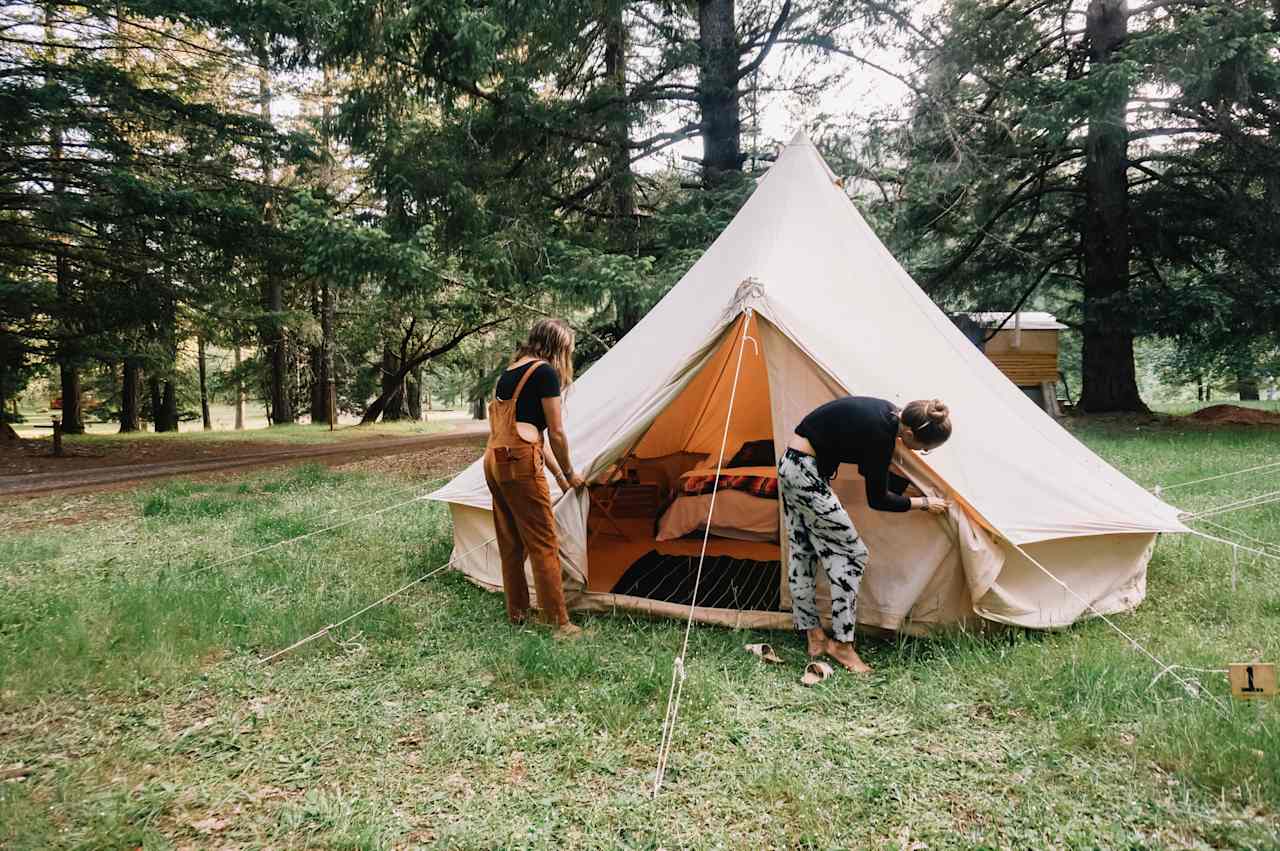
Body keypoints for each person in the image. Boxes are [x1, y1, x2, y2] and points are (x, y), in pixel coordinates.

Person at [777, 397, 953, 673]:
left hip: (792, 466)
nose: (921, 452)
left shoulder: (885, 413)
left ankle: (814, 635)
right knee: (853, 554)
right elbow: (878, 499)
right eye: (924, 448)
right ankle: (842, 645)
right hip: (804, 474)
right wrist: (924, 503)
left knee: (803, 551)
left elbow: (871, 467)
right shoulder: (881, 434)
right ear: (908, 434)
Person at [483, 318, 586, 637]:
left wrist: (559, 476)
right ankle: (558, 622)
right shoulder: (544, 372)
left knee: (511, 541)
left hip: (494, 460)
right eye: (567, 349)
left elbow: (528, 431)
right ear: (557, 346)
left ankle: (517, 613)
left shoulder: (510, 372)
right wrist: (570, 471)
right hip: (520, 462)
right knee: (544, 542)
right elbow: (554, 432)